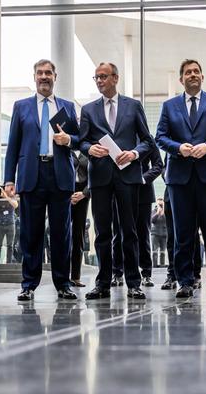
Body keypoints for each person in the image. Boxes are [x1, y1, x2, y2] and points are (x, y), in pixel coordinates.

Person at [156, 59, 206, 299]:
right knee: (183, 233)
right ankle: (185, 282)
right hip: (180, 178)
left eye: (196, 71)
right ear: (181, 79)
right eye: (188, 72)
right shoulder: (169, 106)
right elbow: (160, 137)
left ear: (202, 76)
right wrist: (179, 148)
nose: (193, 75)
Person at [5, 59, 81, 301]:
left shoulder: (67, 107)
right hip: (31, 175)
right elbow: (13, 146)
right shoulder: (21, 107)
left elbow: (80, 140)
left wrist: (68, 140)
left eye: (48, 73)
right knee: (31, 234)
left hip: (59, 176)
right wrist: (9, 179)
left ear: (55, 77)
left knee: (61, 234)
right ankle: (28, 284)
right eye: (40, 73)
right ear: (34, 77)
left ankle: (63, 284)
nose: (44, 77)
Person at [80, 62, 155, 300]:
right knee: (102, 232)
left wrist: (134, 154)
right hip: (100, 177)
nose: (100, 81)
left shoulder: (133, 106)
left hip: (127, 174)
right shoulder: (88, 110)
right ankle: (103, 282)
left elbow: (147, 140)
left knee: (129, 231)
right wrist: (91, 149)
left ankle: (134, 282)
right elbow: (81, 142)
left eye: (103, 76)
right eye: (96, 78)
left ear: (115, 78)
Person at [137, 144, 164, 287]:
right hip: (121, 189)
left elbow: (158, 165)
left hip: (143, 191)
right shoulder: (117, 133)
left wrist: (143, 178)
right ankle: (118, 272)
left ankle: (146, 273)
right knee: (119, 233)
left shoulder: (147, 139)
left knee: (143, 234)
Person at [69, 150, 90, 287]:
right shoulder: (65, 149)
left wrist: (84, 194)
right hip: (65, 194)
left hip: (83, 195)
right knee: (62, 235)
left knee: (79, 235)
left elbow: (94, 175)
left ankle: (76, 276)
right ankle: (62, 276)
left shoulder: (88, 152)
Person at [0, 186, 19, 264]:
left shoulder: (11, 197)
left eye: (1, 190)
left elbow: (15, 205)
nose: (0, 192)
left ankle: (8, 263)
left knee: (10, 245)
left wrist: (6, 196)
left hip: (10, 224)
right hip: (0, 224)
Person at [150, 198, 167, 266]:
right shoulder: (154, 211)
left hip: (164, 234)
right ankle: (155, 265)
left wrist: (163, 213)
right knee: (155, 251)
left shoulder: (166, 211)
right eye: (159, 203)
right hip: (155, 233)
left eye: (161, 203)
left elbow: (168, 220)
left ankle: (162, 264)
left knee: (163, 251)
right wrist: (157, 213)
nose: (160, 205)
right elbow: (152, 220)